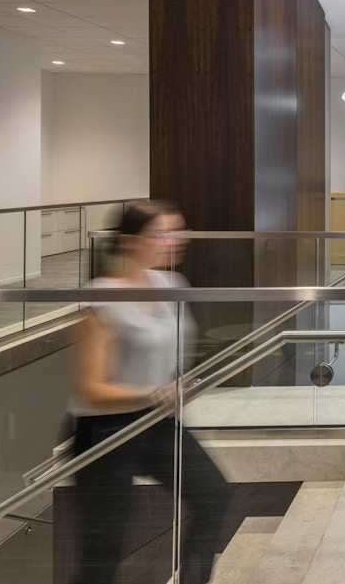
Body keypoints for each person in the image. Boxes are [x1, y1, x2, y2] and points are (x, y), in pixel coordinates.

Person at [67, 200, 231, 584]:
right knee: (104, 548)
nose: (175, 241)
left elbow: (172, 355)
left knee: (214, 494)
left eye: (178, 232)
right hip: (105, 431)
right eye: (162, 234)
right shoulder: (102, 296)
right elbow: (90, 389)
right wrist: (152, 393)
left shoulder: (173, 285)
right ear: (130, 240)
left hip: (157, 421)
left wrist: (181, 386)